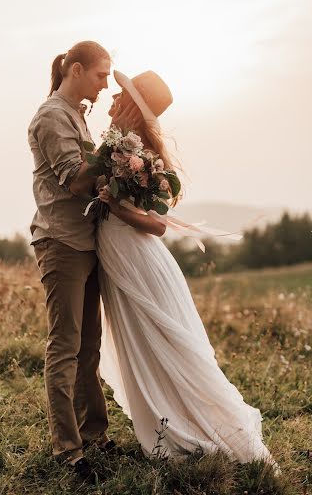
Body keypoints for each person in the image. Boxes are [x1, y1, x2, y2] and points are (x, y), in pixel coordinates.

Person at [97, 69, 277, 468]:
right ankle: (164, 417)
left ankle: (193, 427)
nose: (111, 101)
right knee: (140, 342)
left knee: (164, 338)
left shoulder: (139, 155)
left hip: (137, 258)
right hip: (116, 255)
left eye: (119, 96)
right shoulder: (114, 147)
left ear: (131, 107)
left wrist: (114, 208)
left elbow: (157, 224)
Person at [27, 42, 143, 483]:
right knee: (66, 346)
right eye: (101, 75)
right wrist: (114, 142)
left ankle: (95, 434)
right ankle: (68, 451)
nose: (106, 83)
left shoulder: (75, 114)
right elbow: (76, 182)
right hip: (61, 242)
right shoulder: (52, 115)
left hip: (87, 242)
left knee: (89, 346)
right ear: (75, 70)